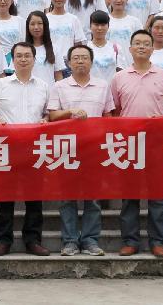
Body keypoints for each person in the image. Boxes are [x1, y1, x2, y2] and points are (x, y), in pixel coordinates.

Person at [110, 29, 163, 257]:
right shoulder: (119, 77)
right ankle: (130, 241)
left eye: (146, 43)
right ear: (130, 49)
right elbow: (115, 110)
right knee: (129, 195)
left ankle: (158, 241)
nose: (141, 47)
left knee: (157, 194)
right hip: (129, 143)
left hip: (156, 141)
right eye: (137, 43)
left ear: (152, 48)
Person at [48, 44, 114, 256]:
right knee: (67, 197)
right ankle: (70, 241)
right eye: (75, 58)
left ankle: (90, 240)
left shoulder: (103, 85)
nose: (80, 61)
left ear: (91, 62)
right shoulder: (59, 86)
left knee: (92, 198)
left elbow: (108, 116)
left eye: (84, 57)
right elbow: (52, 115)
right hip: (66, 148)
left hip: (94, 148)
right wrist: (70, 112)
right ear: (68, 63)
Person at [0, 42, 52, 257]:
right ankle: (2, 240)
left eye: (27, 56)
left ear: (34, 59)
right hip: (7, 148)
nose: (23, 59)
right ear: (12, 60)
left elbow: (47, 113)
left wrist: (45, 120)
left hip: (35, 148)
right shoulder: (0, 84)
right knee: (5, 196)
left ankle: (33, 240)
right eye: (19, 56)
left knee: (34, 197)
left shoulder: (43, 86)